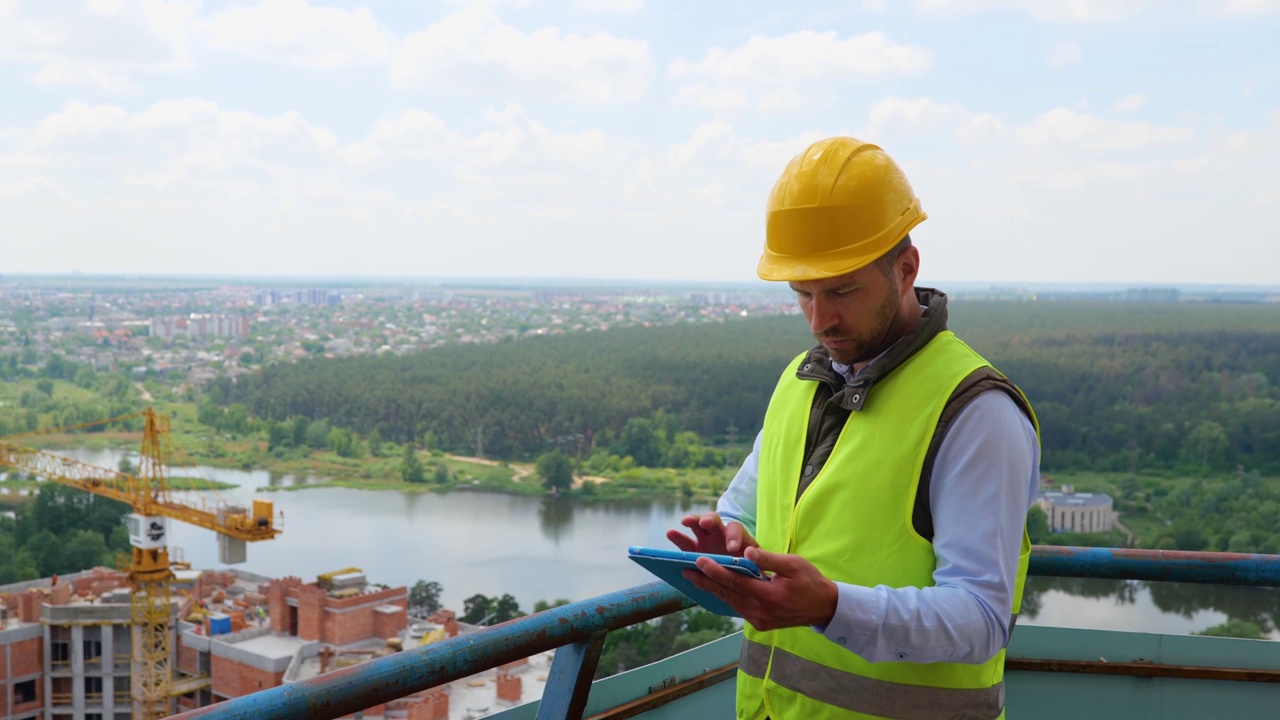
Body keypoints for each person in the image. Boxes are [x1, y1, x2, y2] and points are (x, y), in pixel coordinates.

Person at [667, 136, 1040, 720]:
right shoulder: (800, 381)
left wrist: (831, 607)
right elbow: (744, 514)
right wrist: (730, 544)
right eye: (803, 295)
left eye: (842, 290)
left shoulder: (975, 412)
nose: (821, 320)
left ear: (906, 268)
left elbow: (982, 618)